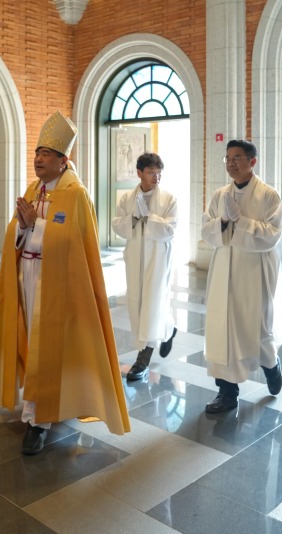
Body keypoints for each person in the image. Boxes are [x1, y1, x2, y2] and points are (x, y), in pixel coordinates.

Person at [0, 111, 130, 455]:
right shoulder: (33, 189)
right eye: (37, 153)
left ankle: (39, 421)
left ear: (63, 160)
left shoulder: (76, 194)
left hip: (59, 283)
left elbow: (77, 244)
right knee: (35, 342)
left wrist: (37, 225)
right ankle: (42, 401)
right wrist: (22, 227)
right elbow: (15, 231)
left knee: (50, 345)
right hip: (29, 276)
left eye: (46, 154)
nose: (38, 159)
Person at [201, 139, 282, 414]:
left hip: (253, 271)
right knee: (223, 329)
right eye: (227, 158)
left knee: (256, 327)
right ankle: (227, 393)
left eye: (237, 158)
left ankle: (271, 364)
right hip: (223, 268)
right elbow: (206, 229)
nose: (231, 163)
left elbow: (272, 235)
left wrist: (242, 221)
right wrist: (224, 221)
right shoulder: (220, 195)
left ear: (252, 161)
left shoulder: (269, 195)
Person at [111, 152, 178, 381]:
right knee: (138, 302)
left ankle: (143, 359)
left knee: (152, 303)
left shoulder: (169, 199)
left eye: (159, 173)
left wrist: (149, 217)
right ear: (139, 173)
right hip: (135, 258)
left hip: (158, 258)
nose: (156, 177)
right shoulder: (127, 199)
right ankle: (169, 328)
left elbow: (170, 230)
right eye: (151, 172)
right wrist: (133, 219)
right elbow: (117, 226)